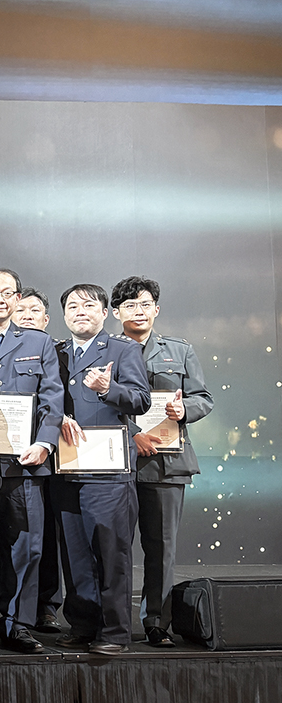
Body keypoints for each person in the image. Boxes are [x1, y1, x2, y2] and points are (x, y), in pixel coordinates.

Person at [110, 276, 213, 647]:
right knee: (112, 548)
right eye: (129, 305)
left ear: (156, 309)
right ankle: (112, 623)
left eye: (145, 304)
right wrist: (131, 435)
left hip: (166, 464)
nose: (138, 311)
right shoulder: (104, 350)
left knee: (162, 548)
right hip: (115, 462)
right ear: (116, 312)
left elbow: (203, 398)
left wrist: (185, 410)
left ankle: (156, 622)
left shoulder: (179, 350)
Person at [53, 284, 150, 655]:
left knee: (111, 554)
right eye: (72, 306)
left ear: (105, 312)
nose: (80, 311)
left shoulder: (123, 349)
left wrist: (109, 388)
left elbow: (140, 400)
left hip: (108, 472)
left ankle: (115, 632)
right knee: (75, 554)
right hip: (66, 469)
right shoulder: (56, 352)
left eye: (89, 305)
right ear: (64, 315)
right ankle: (82, 624)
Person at [0, 269, 64, 654]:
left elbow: (52, 398)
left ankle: (17, 624)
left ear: (17, 298)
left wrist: (45, 444)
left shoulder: (38, 343)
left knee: (26, 549)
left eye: (7, 293)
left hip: (25, 465)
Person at [14, 288, 65, 633]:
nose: (27, 315)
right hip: (18, 459)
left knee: (47, 538)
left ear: (46, 319)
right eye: (21, 310)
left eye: (35, 311)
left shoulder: (57, 350)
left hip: (58, 457)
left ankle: (46, 606)